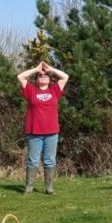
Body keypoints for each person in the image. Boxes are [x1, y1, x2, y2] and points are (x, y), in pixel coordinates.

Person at [17, 61, 69, 194]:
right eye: (40, 75)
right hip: (34, 132)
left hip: (52, 132)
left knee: (50, 160)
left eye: (46, 75)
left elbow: (65, 77)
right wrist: (36, 69)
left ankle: (49, 188)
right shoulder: (31, 90)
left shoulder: (55, 90)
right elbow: (20, 77)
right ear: (36, 79)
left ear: (50, 79)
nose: (43, 76)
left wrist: (50, 68)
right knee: (32, 160)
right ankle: (29, 187)